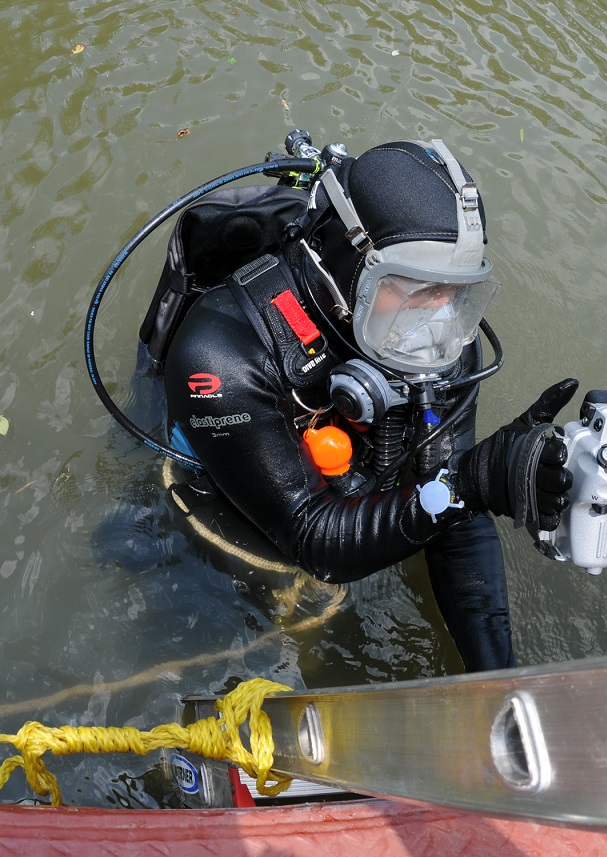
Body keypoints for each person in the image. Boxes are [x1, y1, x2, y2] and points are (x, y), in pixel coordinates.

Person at [148, 138, 575, 672]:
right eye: (419, 290)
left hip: (341, 476)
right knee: (232, 595)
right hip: (231, 496)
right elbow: (315, 540)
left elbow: (454, 510)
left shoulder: (443, 341)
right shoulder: (218, 354)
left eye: (454, 293)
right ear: (347, 269)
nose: (440, 318)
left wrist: (497, 678)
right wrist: (470, 483)